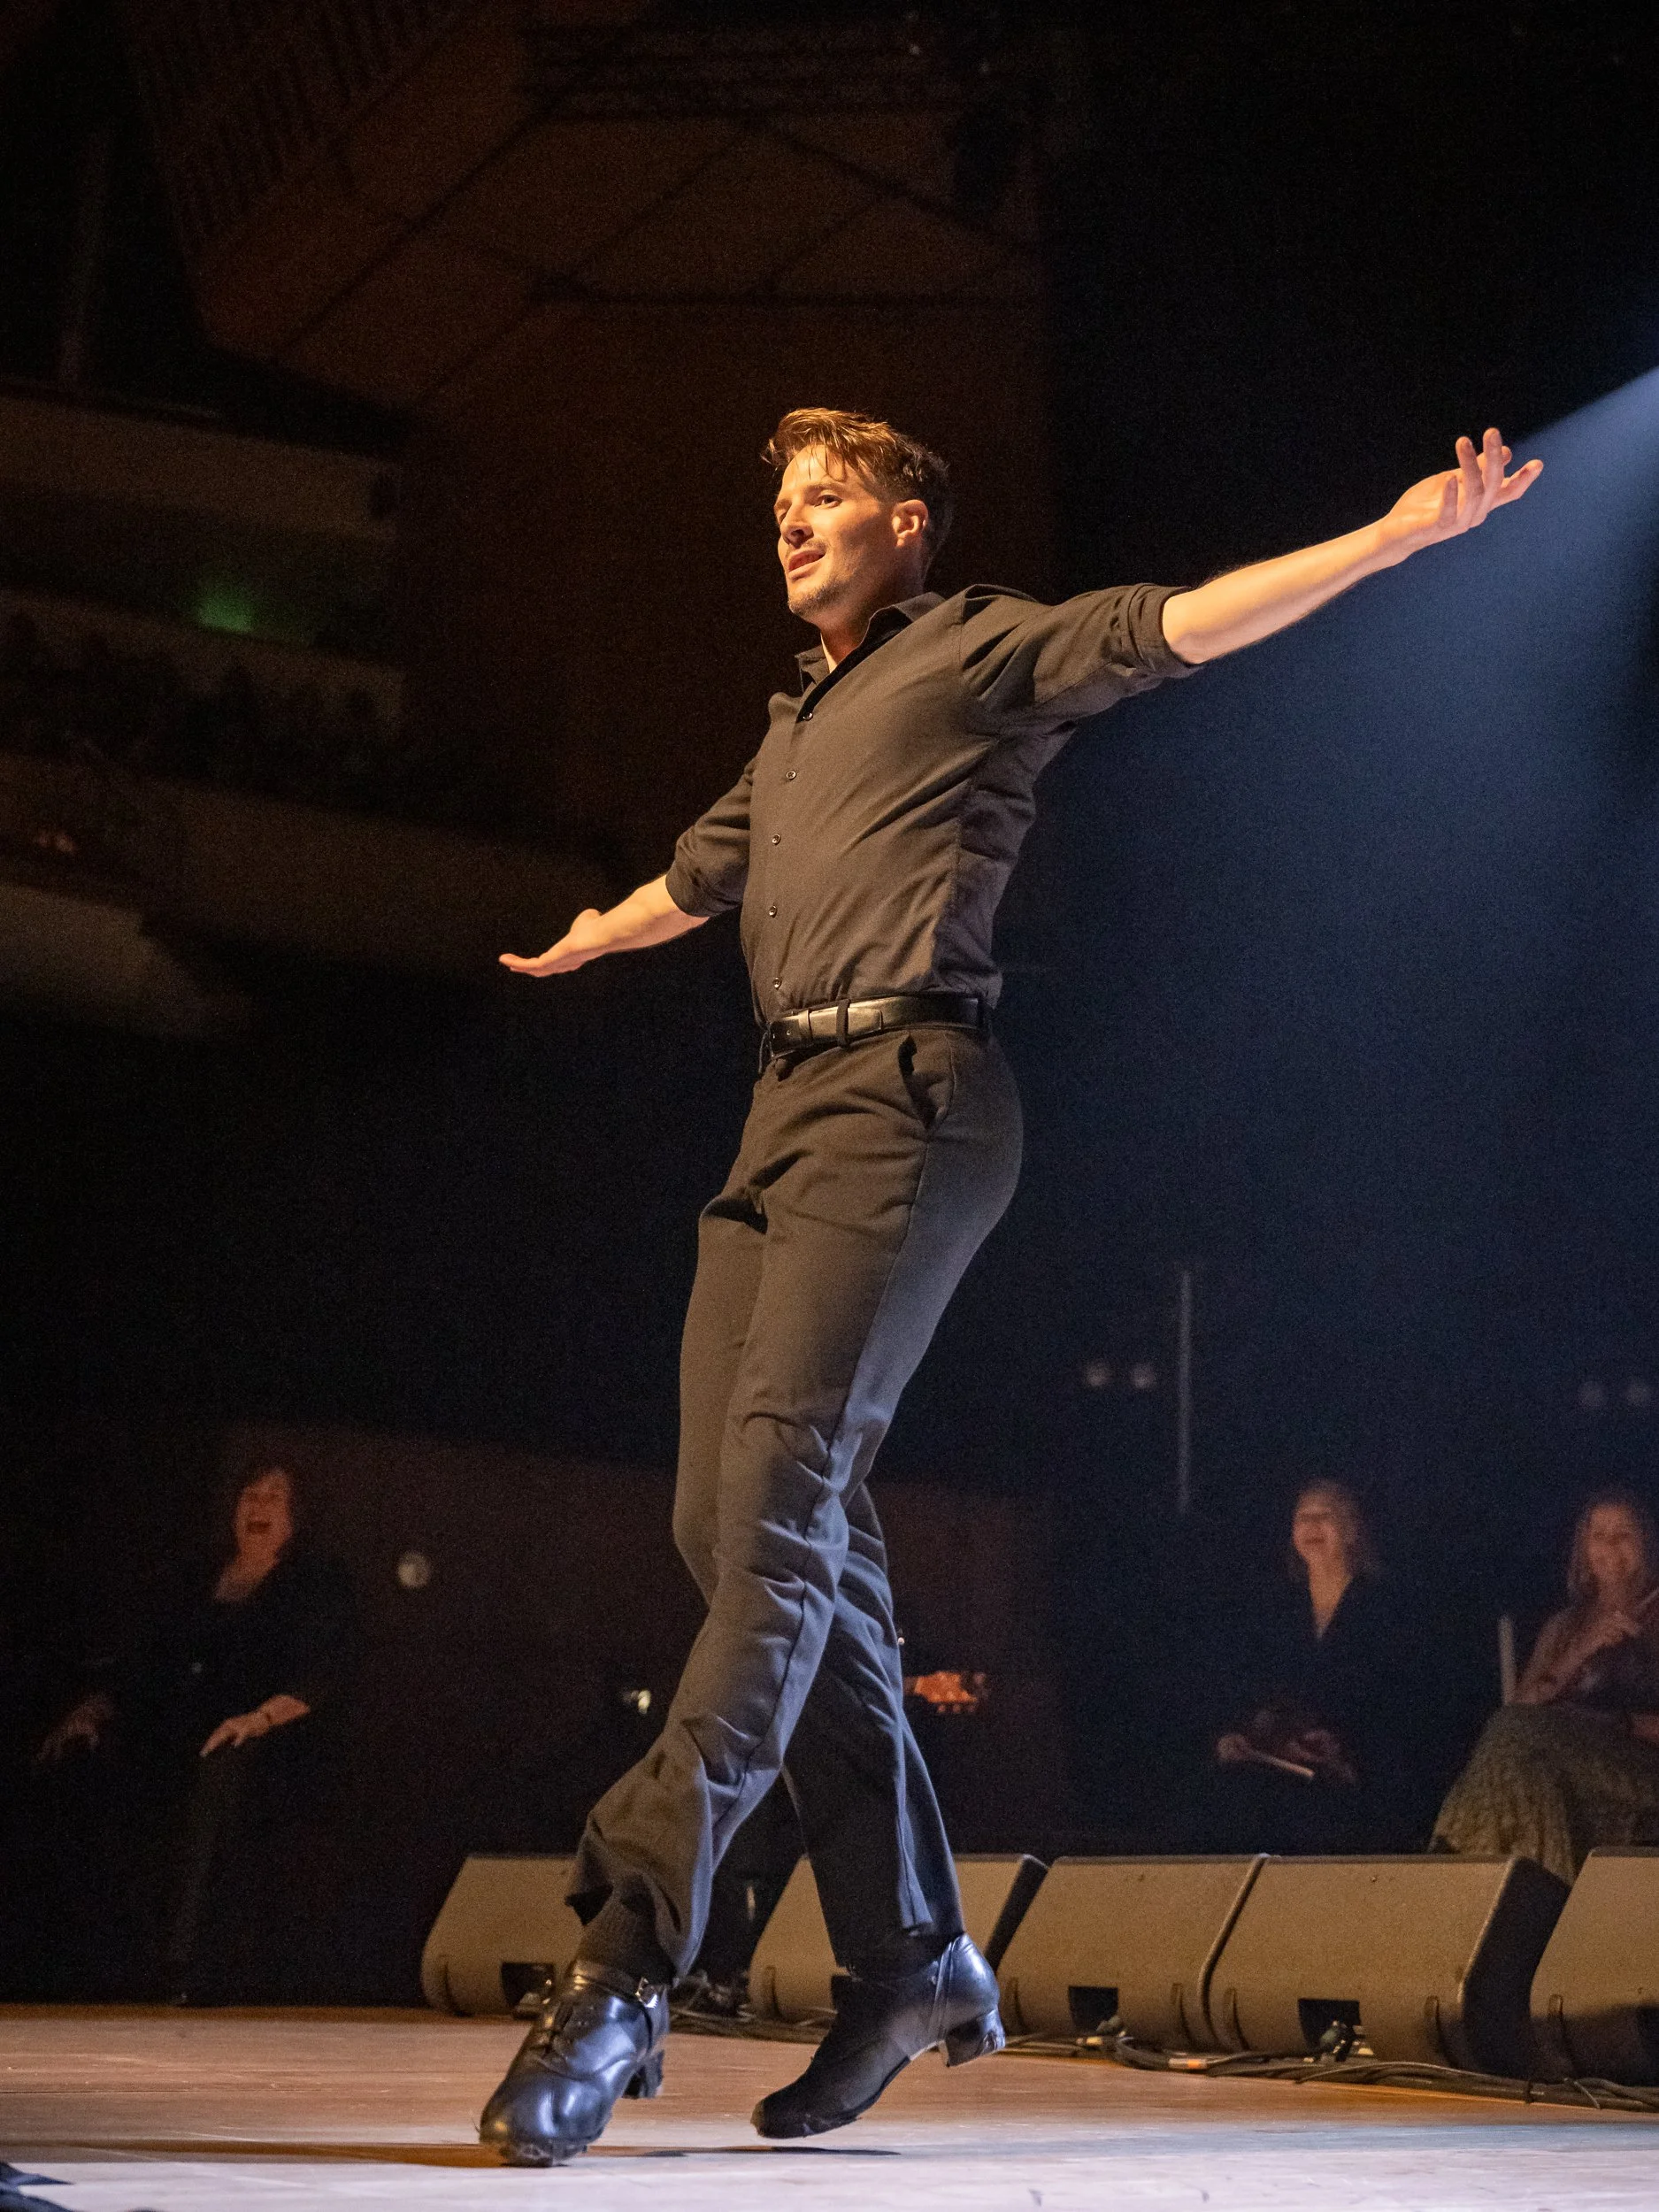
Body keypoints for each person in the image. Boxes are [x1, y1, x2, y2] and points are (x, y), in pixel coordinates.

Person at [482, 405, 1540, 2164]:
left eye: (827, 498)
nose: (794, 525)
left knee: (777, 1506)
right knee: (722, 1520)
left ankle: (624, 1953)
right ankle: (907, 1949)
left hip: (911, 1101)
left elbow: (1178, 623)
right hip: (774, 1120)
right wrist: (593, 930)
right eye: (781, 507)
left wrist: (1386, 538)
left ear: (908, 520)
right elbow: (695, 875)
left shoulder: (978, 650)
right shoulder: (794, 720)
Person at [33, 1463, 359, 2001]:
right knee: (79, 1760)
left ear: (295, 1518)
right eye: (249, 1495)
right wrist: (95, 1708)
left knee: (219, 1766)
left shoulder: (315, 1582)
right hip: (171, 1728)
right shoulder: (196, 1574)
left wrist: (256, 1719)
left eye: (273, 1498)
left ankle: (181, 1966)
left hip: (268, 1739)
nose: (257, 1505)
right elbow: (143, 1658)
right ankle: (69, 1958)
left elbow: (322, 1674)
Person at [1433, 1489, 1659, 1883]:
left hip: (1637, 1774)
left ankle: (1449, 1866)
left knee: (1522, 1743)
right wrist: (1581, 1650)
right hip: (1561, 1770)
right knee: (1521, 1769)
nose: (1609, 1545)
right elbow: (1518, 1709)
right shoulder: (1565, 1626)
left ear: (1647, 1542)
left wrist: (1612, 1723)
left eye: (1623, 1534)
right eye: (1598, 1535)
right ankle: (1515, 1897)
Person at [1210, 1480, 1419, 1851]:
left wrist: (1343, 1748)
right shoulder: (1276, 1605)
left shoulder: (1385, 1606)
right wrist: (1241, 1734)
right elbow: (1250, 1683)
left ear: (1352, 1529)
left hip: (1355, 1762)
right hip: (1278, 1757)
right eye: (1302, 1517)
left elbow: (1398, 1697)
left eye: (1325, 1516)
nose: (1311, 1526)